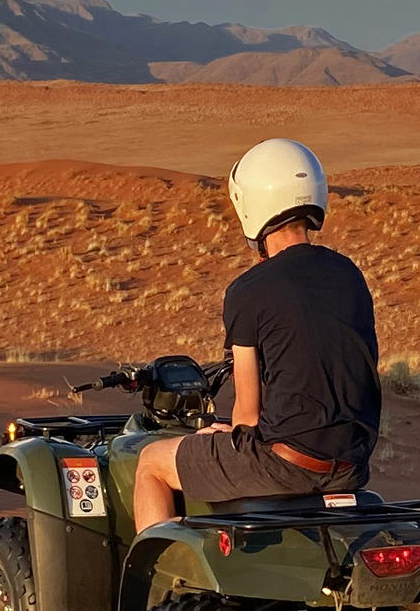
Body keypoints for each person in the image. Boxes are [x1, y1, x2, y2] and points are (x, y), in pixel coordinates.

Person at [132, 137, 380, 530]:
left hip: (286, 464)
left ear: (253, 205)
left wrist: (233, 432)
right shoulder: (350, 275)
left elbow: (247, 413)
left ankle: (159, 587)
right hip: (351, 465)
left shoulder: (248, 290)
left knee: (150, 463)